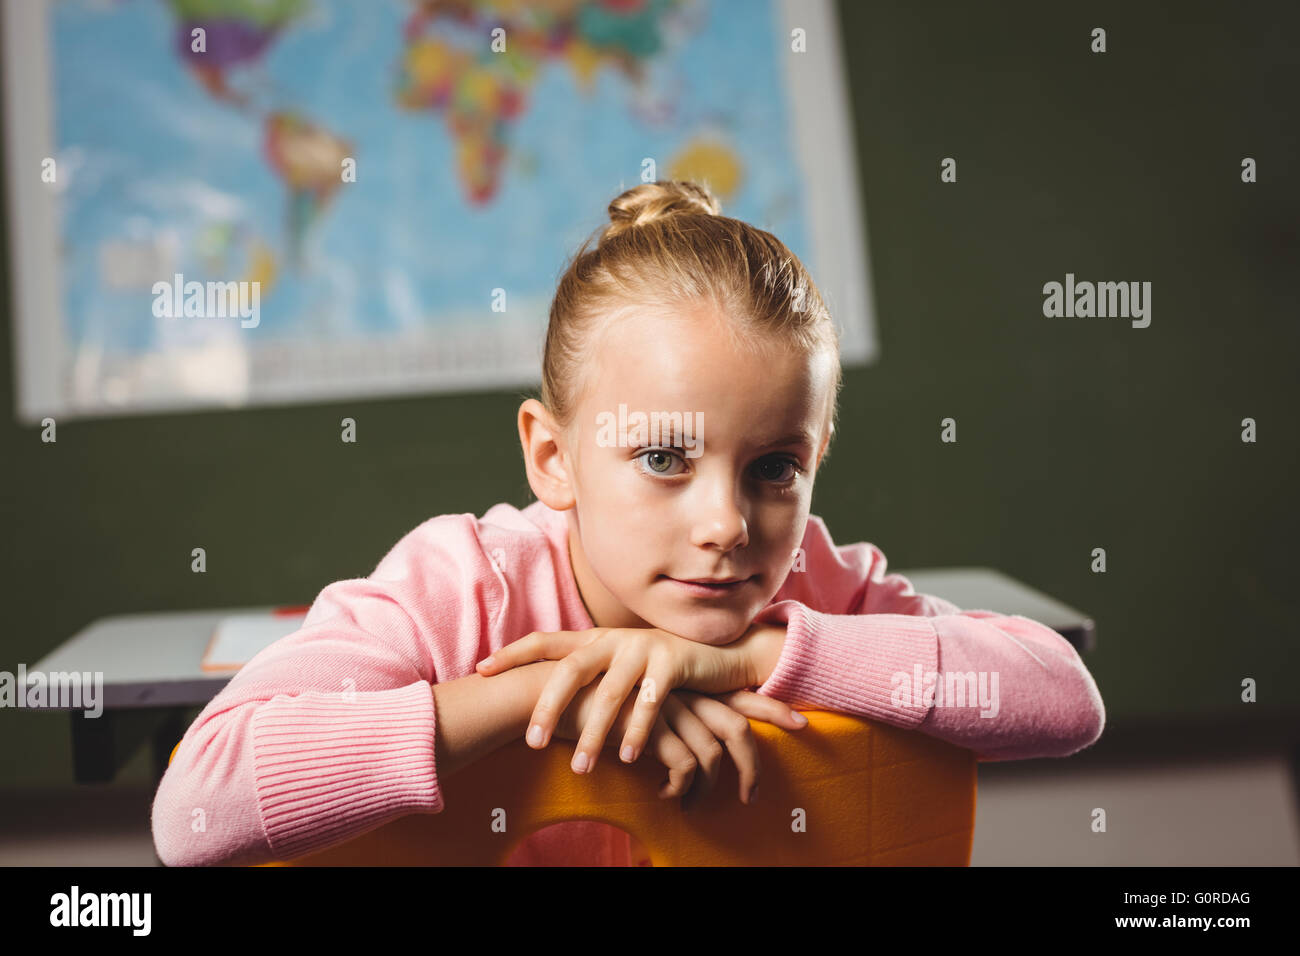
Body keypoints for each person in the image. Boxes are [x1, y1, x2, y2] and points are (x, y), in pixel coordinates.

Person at [151, 180, 1104, 867]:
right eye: (663, 458)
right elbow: (196, 811)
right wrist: (557, 688)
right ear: (552, 457)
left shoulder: (814, 582)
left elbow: (1064, 699)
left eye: (776, 468)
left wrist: (752, 660)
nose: (728, 524)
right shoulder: (463, 588)